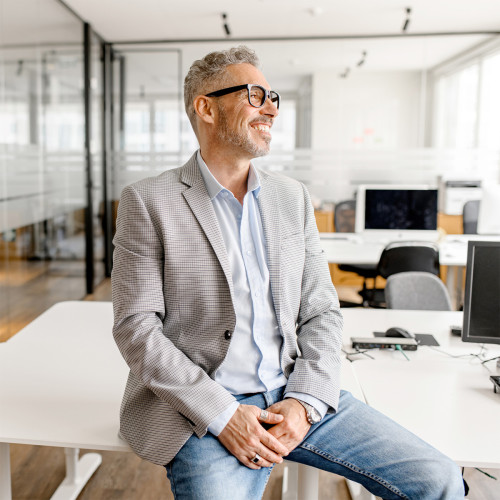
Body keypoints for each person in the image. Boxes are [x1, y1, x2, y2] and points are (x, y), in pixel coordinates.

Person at [112, 46, 464, 500]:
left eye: (273, 96)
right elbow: (136, 329)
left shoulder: (291, 197)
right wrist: (222, 414)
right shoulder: (149, 201)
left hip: (297, 390)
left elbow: (321, 311)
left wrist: (305, 401)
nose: (271, 107)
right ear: (206, 108)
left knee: (439, 480)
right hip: (205, 409)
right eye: (255, 94)